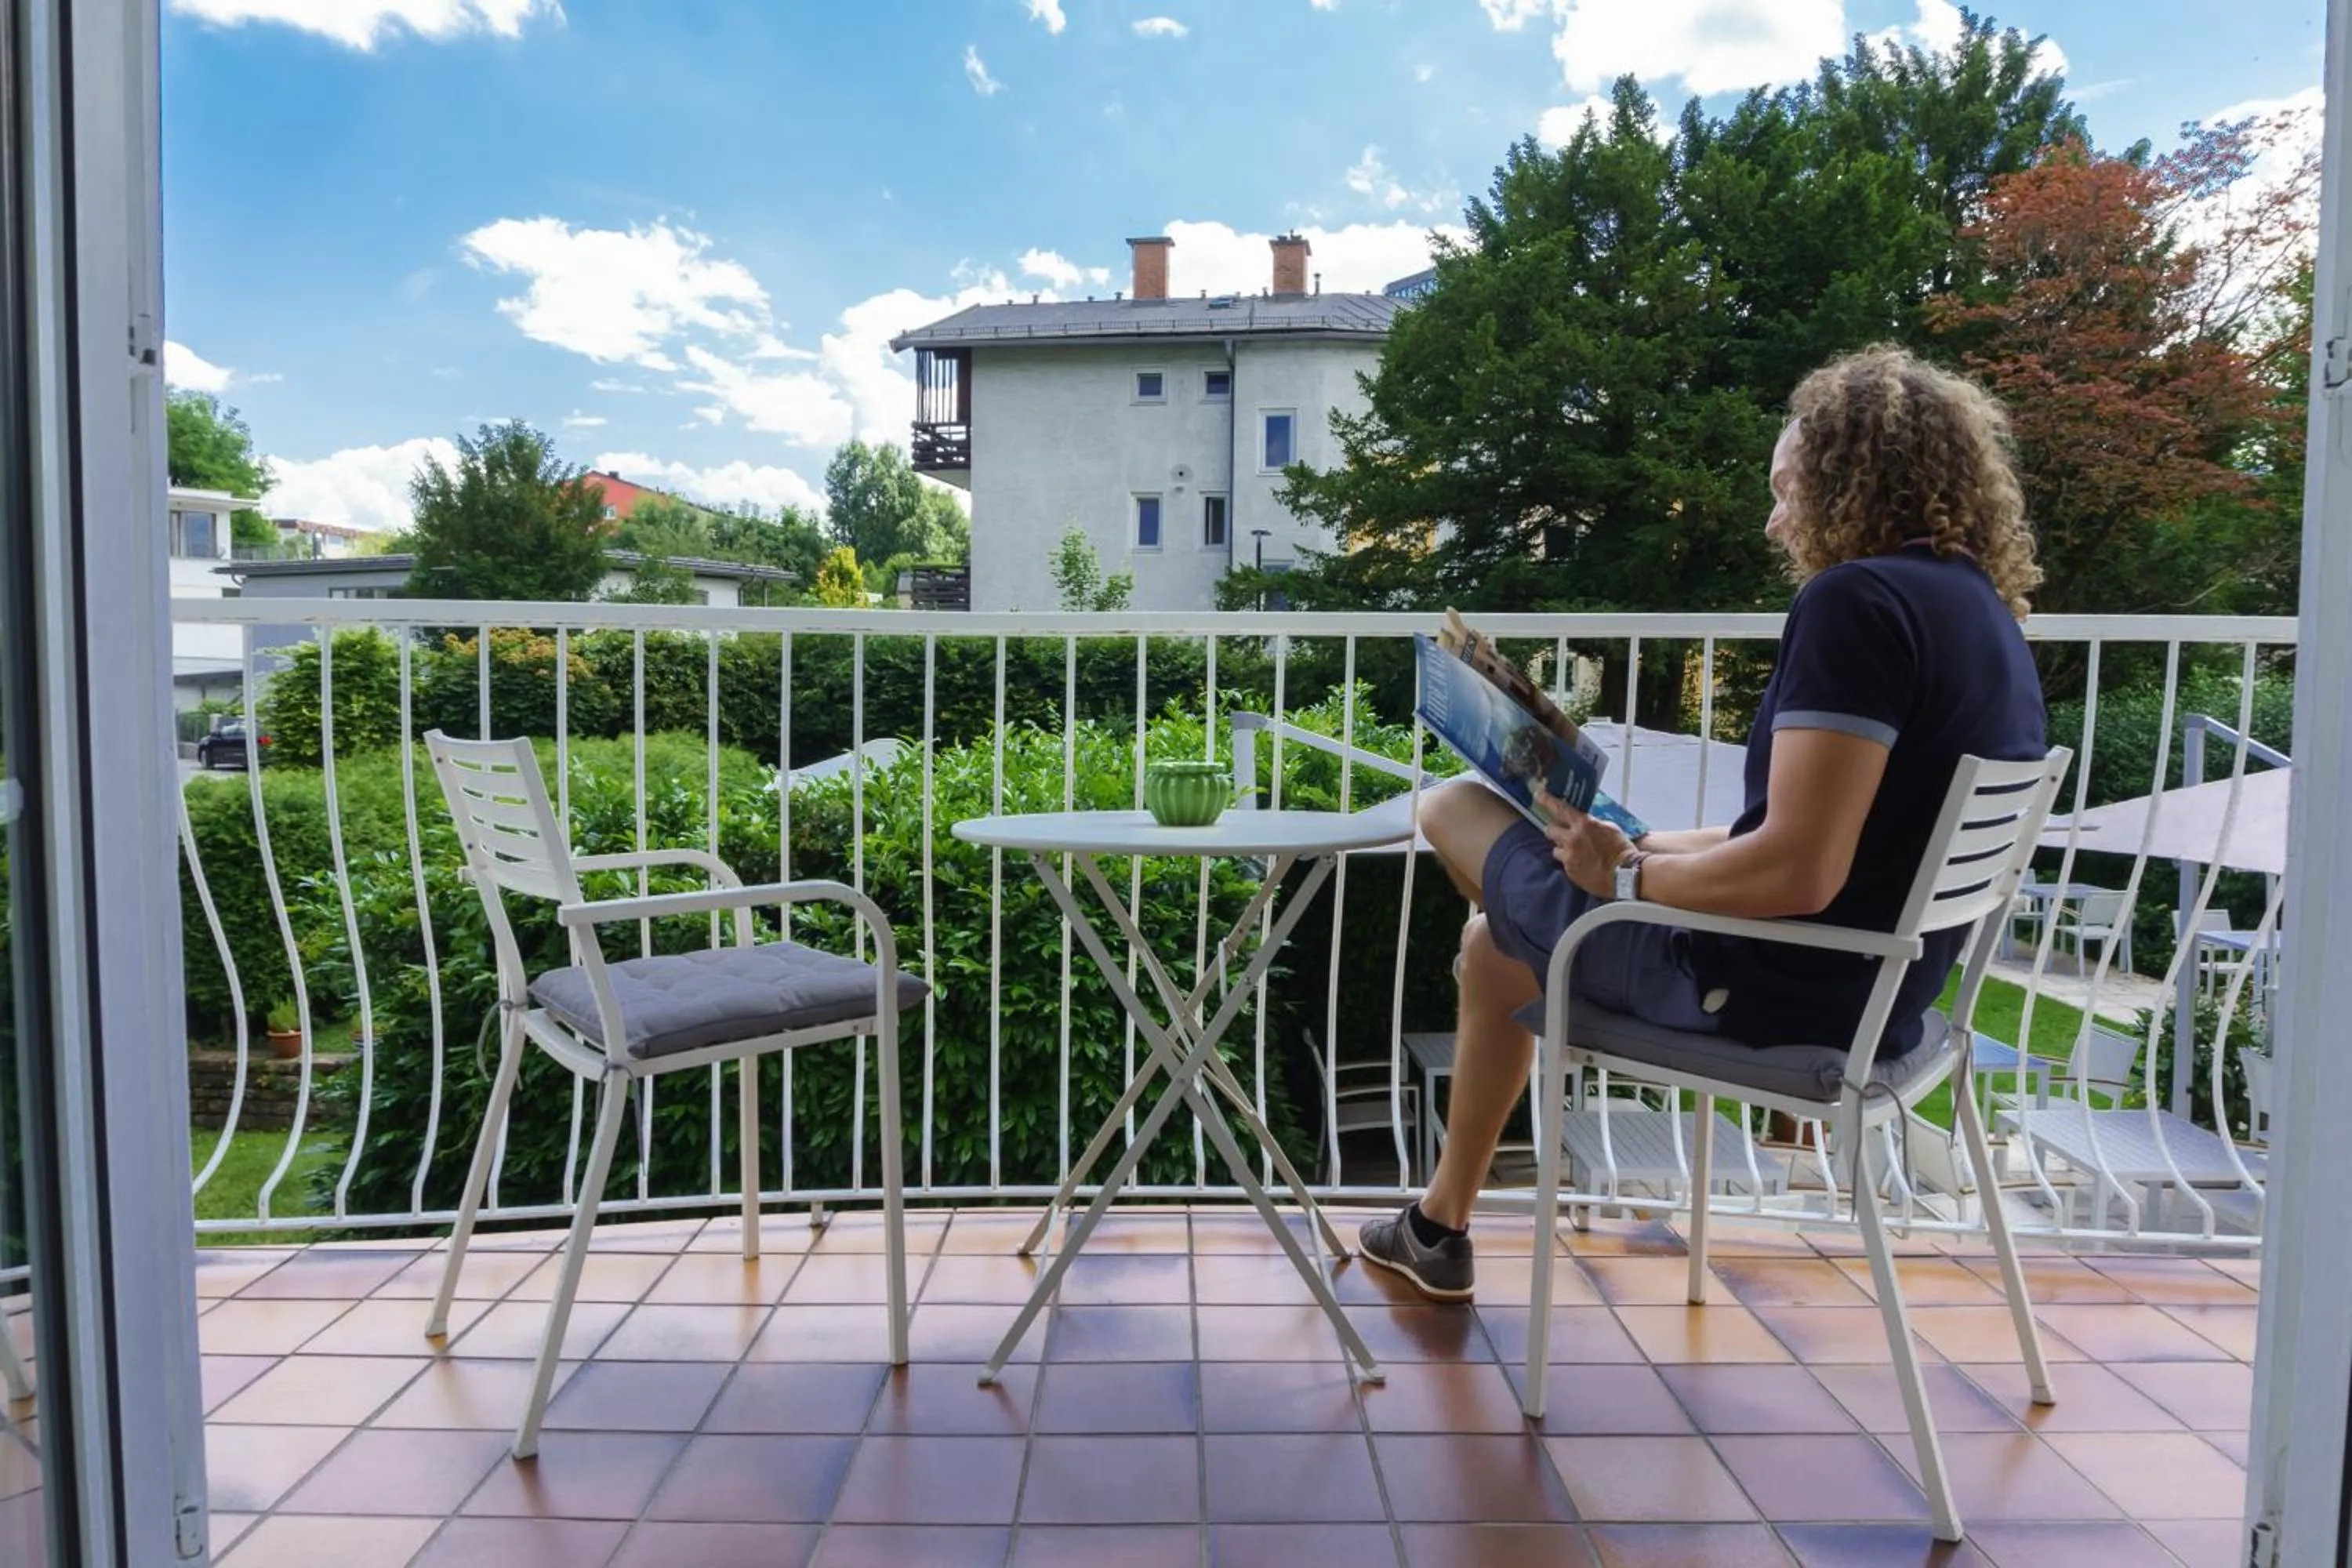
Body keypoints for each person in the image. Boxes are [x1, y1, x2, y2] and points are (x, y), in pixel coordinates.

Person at [1359, 345, 2048, 1301]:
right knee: (1494, 946)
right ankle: (1438, 1227)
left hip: (1762, 987)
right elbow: (1831, 840)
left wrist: (1626, 884)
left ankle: (1444, 1206)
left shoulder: (1855, 603)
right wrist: (1648, 850)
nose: (1774, 520)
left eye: (1785, 488)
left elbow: (1800, 873)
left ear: (1850, 479)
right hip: (1878, 992)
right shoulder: (1984, 619)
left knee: (1451, 806)